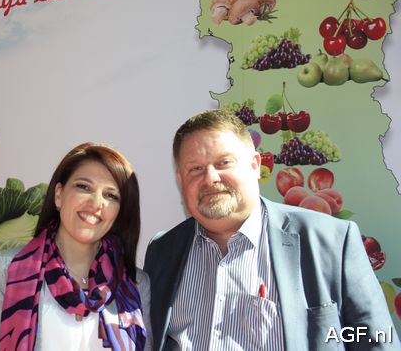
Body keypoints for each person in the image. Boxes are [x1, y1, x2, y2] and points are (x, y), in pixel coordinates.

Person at [144, 109, 399, 350]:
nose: (210, 178)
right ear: (181, 180)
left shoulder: (332, 241)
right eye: (196, 168)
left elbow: (377, 340)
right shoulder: (162, 251)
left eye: (224, 162)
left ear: (255, 165)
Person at [0, 142, 151, 351]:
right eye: (84, 187)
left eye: (111, 195)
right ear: (58, 195)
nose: (96, 202)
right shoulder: (5, 269)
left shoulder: (138, 285)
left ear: (119, 211)